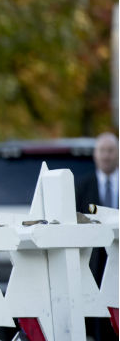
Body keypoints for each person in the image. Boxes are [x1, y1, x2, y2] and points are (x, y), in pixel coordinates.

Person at [75, 132, 118, 341]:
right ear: (95, 155)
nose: (106, 156)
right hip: (95, 262)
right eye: (102, 151)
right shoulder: (82, 186)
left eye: (110, 151)